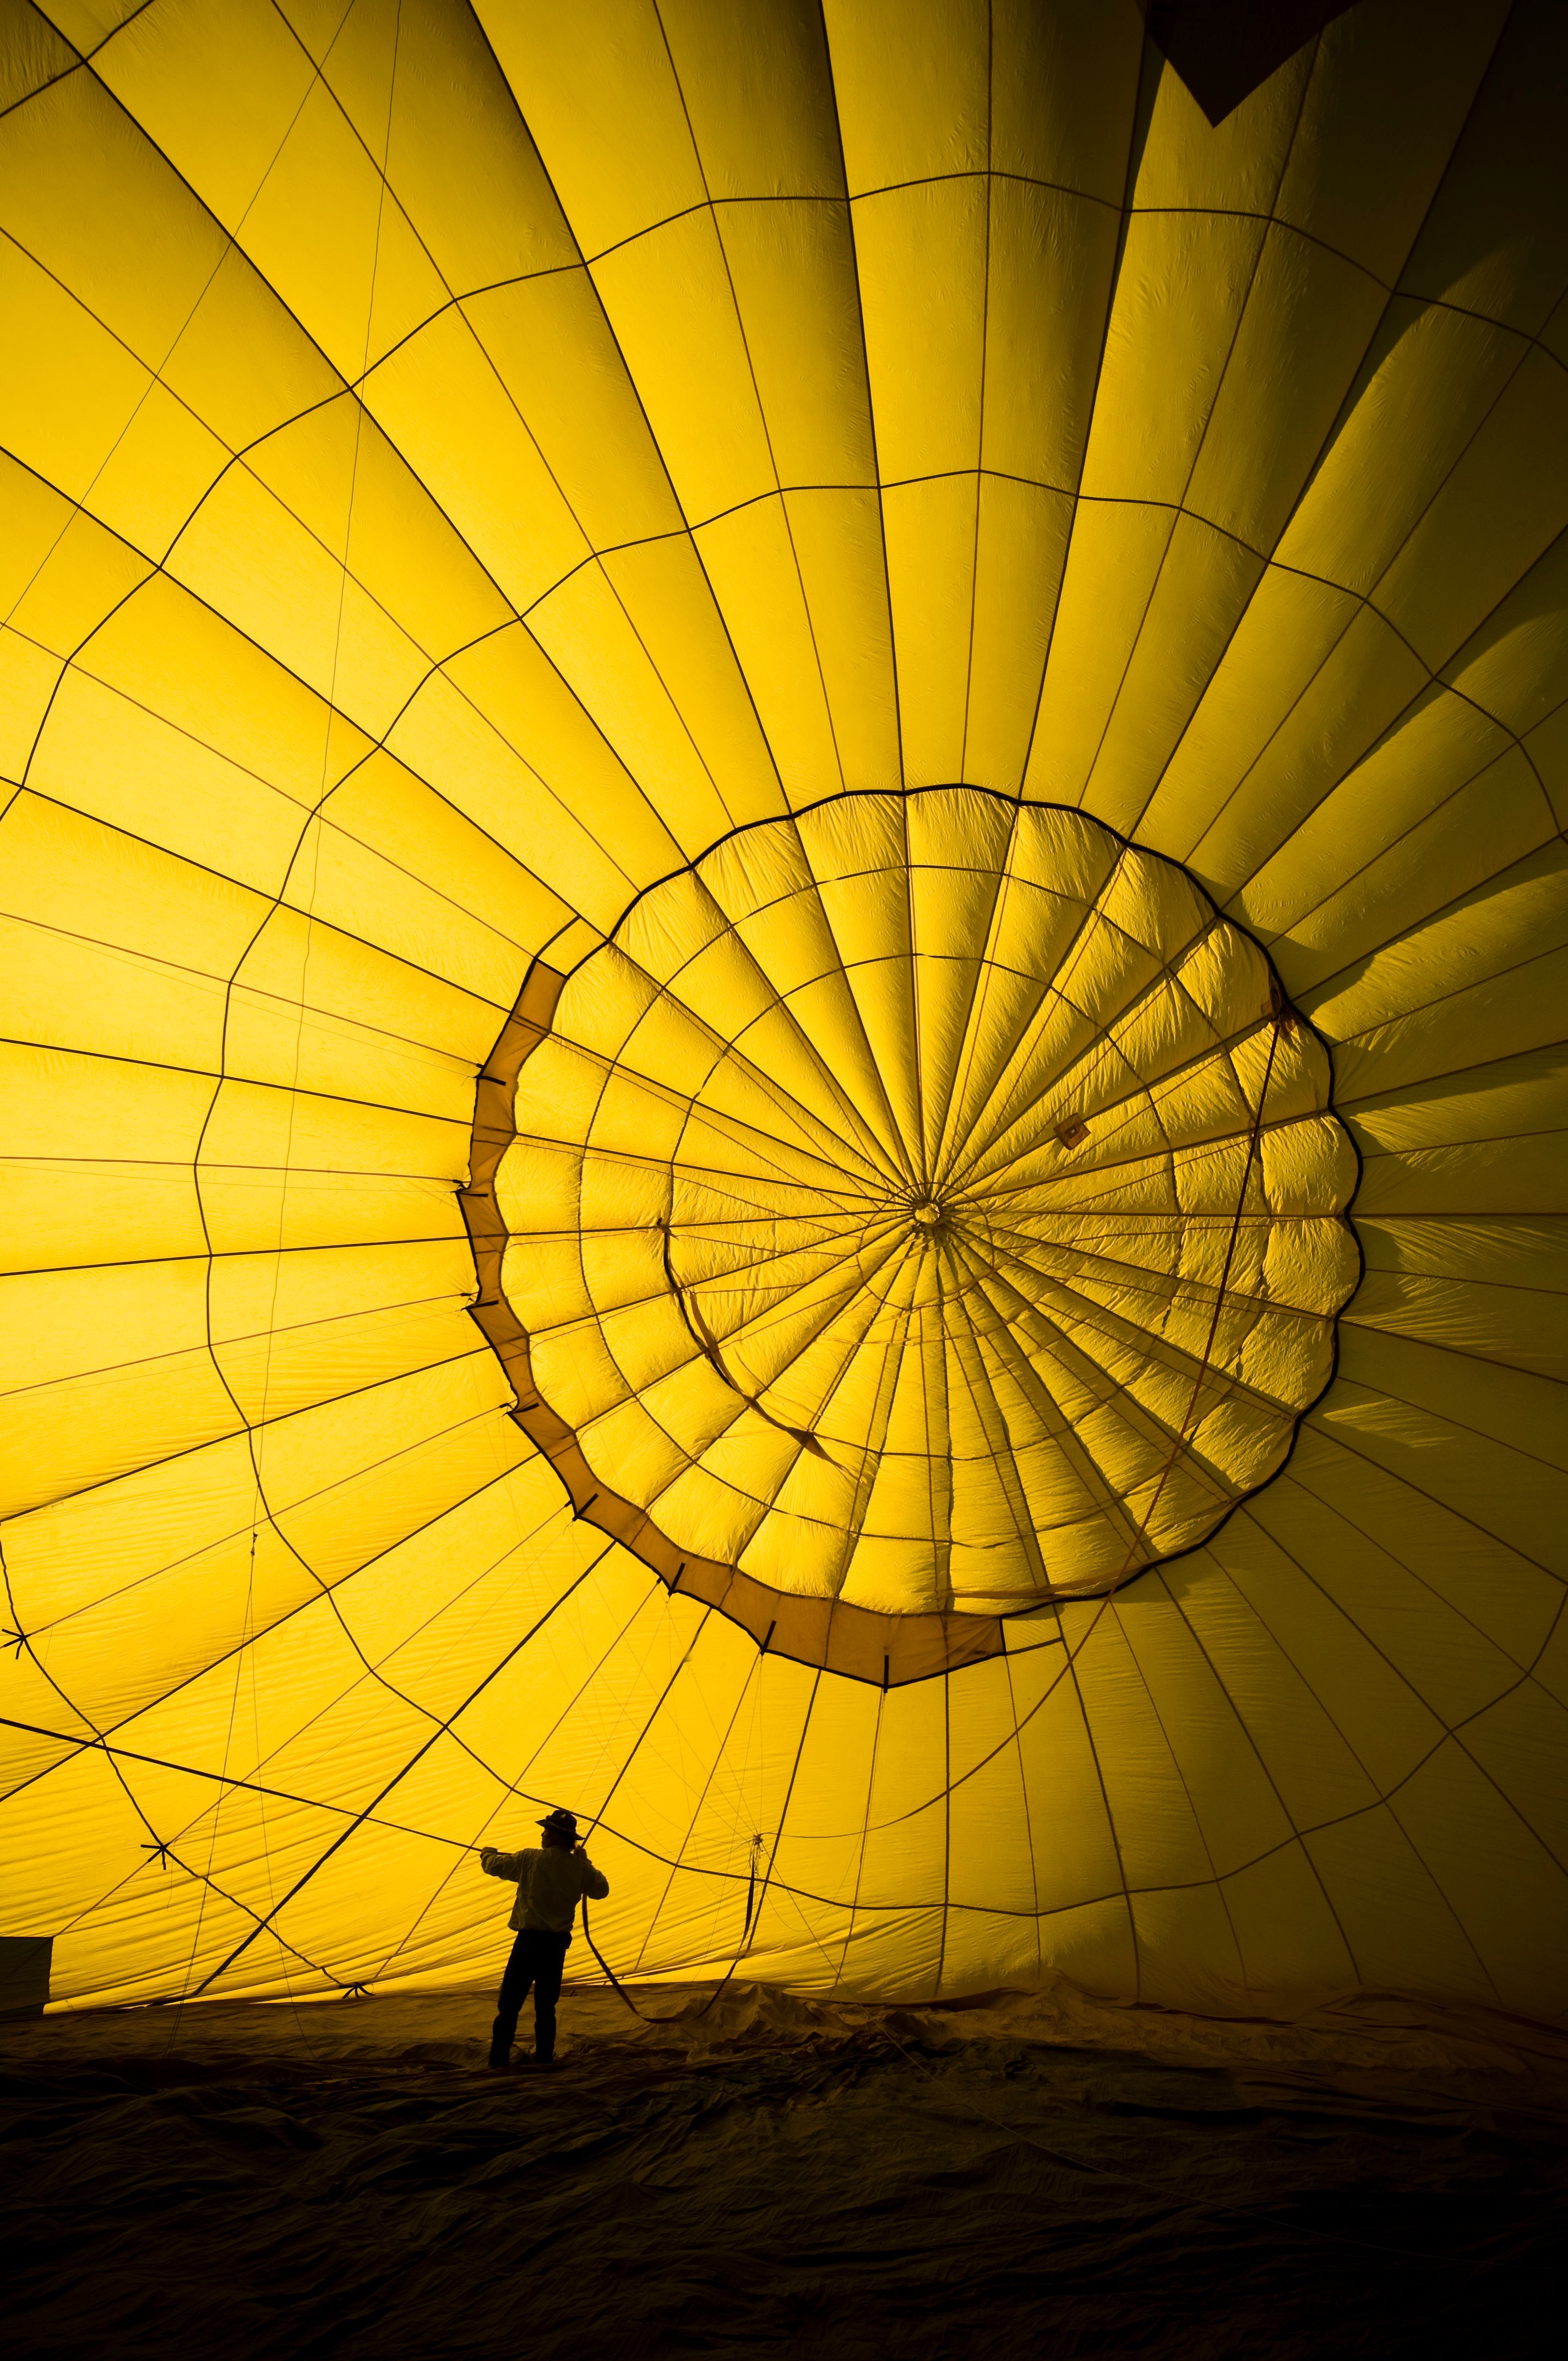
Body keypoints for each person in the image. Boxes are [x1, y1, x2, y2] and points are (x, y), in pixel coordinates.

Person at [480, 1807, 609, 2069]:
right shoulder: (580, 1868)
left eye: (546, 1830)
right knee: (546, 2006)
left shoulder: (530, 1859)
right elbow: (601, 1890)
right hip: (555, 1947)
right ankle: (544, 2061)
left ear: (553, 1836)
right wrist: (585, 1862)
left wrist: (487, 1853)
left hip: (528, 1943)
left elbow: (495, 1866)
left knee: (510, 2005)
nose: (542, 1834)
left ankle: (498, 2063)